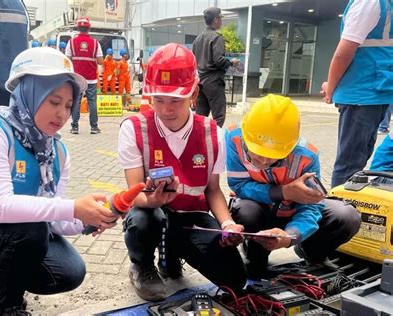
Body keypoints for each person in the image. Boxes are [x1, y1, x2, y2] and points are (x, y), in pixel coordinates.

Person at [0, 47, 118, 315]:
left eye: (68, 106)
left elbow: (54, 217)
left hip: (4, 235)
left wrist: (89, 218)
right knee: (29, 228)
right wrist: (73, 207)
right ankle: (6, 307)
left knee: (69, 271)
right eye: (53, 101)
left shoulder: (56, 152)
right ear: (29, 92)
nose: (62, 114)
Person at [118, 43, 246, 302]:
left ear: (193, 93)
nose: (166, 109)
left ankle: (172, 253)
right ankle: (142, 265)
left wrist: (228, 224)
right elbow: (134, 194)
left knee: (235, 278)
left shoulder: (212, 133)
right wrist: (151, 200)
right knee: (145, 219)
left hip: (191, 215)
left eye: (175, 100)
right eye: (158, 100)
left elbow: (213, 190)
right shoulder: (134, 129)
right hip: (151, 211)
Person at [225, 94, 361, 279]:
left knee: (346, 216)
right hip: (260, 213)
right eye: (257, 153)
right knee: (245, 210)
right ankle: (256, 256)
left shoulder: (307, 156)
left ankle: (313, 254)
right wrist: (284, 192)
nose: (264, 160)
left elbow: (312, 207)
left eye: (272, 155)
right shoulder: (234, 139)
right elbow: (238, 185)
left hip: (292, 213)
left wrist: (290, 236)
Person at [320, 0, 393, 187]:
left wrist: (331, 88)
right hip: (376, 88)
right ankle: (341, 209)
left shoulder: (368, 2)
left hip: (362, 89)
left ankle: (338, 210)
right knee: (355, 159)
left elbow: (343, 52)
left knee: (350, 163)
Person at [192, 7, 239, 128]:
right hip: (213, 82)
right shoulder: (217, 37)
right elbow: (218, 60)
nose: (221, 22)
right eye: (220, 19)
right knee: (219, 116)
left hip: (200, 83)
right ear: (216, 20)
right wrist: (231, 62)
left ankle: (199, 141)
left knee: (200, 117)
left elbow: (193, 61)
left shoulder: (197, 39)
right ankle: (214, 141)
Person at [66, 16, 103, 135]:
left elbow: (67, 59)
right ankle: (94, 127)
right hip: (91, 79)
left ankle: (74, 127)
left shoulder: (71, 42)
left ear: (78, 28)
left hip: (77, 78)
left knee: (76, 101)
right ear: (89, 28)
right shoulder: (95, 43)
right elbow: (100, 61)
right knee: (92, 102)